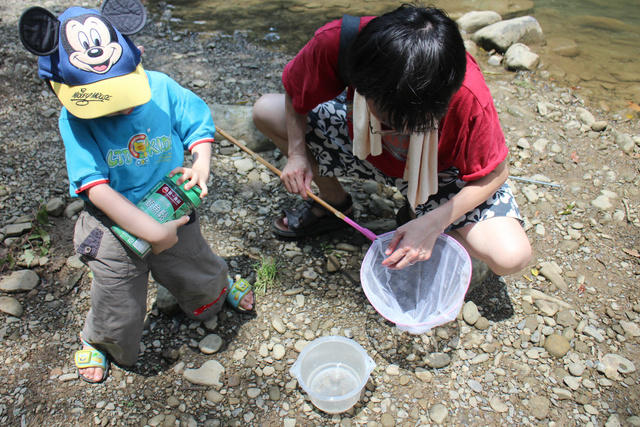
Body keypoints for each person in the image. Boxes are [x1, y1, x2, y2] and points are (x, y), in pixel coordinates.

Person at [19, 0, 254, 383]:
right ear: (60, 89)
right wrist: (152, 233)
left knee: (195, 264)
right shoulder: (74, 118)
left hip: (172, 206)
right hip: (114, 225)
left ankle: (216, 290)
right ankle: (101, 341)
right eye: (102, 102)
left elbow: (197, 123)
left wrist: (201, 162)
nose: (119, 108)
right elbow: (94, 188)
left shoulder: (158, 86)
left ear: (137, 57)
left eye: (123, 94)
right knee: (117, 298)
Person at [252, 4, 531, 276]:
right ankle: (335, 201)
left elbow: (497, 170)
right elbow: (296, 92)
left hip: (437, 170)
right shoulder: (339, 43)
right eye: (391, 120)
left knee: (511, 256)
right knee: (266, 111)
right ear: (363, 85)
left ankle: (418, 212)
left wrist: (435, 221)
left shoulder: (466, 91)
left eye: (414, 124)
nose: (400, 132)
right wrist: (297, 153)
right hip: (360, 142)